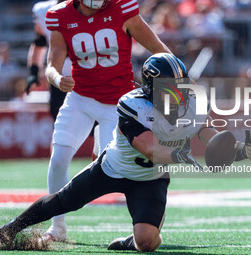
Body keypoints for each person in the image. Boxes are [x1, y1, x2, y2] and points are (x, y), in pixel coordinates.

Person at [0, 53, 251, 252]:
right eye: (168, 87)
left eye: (179, 86)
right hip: (113, 168)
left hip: (150, 179)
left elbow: (207, 132)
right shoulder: (133, 105)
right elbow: (149, 148)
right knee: (62, 201)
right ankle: (6, 231)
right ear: (149, 88)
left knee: (148, 242)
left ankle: (129, 242)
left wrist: (232, 149)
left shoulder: (194, 103)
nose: (176, 93)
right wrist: (181, 157)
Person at [42, 0, 172, 242]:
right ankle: (57, 228)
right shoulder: (60, 15)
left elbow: (159, 48)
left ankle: (144, 230)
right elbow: (51, 66)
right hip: (81, 98)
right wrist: (58, 79)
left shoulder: (122, 8)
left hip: (119, 103)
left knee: (124, 169)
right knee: (59, 157)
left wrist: (180, 78)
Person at [26, 0, 70, 121]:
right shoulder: (43, 10)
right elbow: (40, 42)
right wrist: (33, 72)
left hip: (89, 76)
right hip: (59, 78)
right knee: (59, 119)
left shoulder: (89, 8)